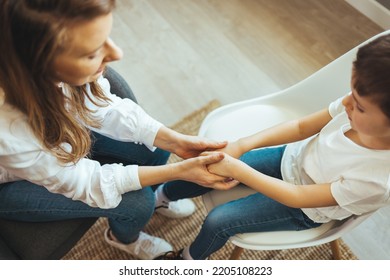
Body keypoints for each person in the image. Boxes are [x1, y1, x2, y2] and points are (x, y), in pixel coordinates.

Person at [0, 0, 236, 260]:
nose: (117, 54)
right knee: (137, 204)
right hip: (11, 184)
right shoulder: (9, 131)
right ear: (38, 65)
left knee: (154, 147)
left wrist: (175, 141)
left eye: (107, 38)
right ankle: (123, 239)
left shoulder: (45, 74)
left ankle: (161, 197)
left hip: (55, 142)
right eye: (92, 53)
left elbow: (99, 105)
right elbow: (83, 182)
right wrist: (178, 171)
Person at [155, 33, 390, 260]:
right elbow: (300, 127)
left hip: (305, 208)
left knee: (219, 221)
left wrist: (237, 169)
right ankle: (161, 196)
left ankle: (190, 260)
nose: (346, 101)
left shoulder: (376, 181)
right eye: (351, 92)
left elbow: (297, 197)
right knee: (210, 164)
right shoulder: (354, 103)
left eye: (359, 106)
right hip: (293, 157)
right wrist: (241, 145)